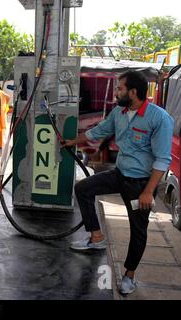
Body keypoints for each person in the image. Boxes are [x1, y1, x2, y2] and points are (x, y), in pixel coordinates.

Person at [65, 70, 174, 296]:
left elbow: (163, 158)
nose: (116, 93)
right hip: (120, 174)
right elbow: (99, 131)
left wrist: (148, 191)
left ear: (133, 92)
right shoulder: (119, 112)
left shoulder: (158, 118)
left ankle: (129, 276)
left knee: (138, 230)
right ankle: (96, 237)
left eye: (119, 88)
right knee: (83, 188)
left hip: (141, 184)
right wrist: (72, 141)